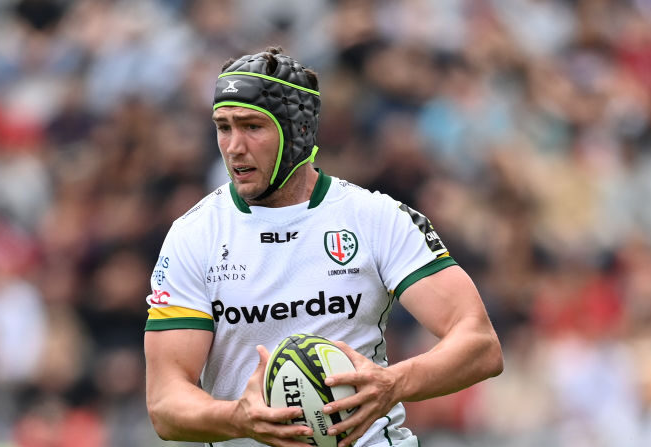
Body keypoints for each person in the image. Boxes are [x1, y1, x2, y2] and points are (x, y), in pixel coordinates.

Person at [144, 46, 503, 447]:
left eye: (252, 127)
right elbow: (164, 403)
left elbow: (479, 343)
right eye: (223, 126)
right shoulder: (193, 236)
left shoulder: (374, 217)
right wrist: (239, 418)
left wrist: (392, 382)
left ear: (299, 131)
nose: (233, 146)